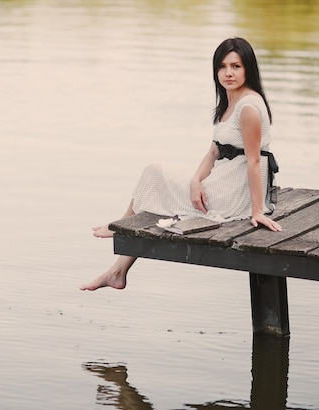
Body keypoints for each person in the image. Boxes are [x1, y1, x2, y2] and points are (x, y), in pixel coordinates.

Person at [80, 37, 282, 292]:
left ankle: (120, 230)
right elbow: (213, 151)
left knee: (154, 174)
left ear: (248, 68)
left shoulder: (248, 107)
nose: (228, 73)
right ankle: (118, 270)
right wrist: (196, 181)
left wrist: (257, 211)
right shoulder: (230, 102)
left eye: (235, 66)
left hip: (233, 194)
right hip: (221, 181)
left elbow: (254, 162)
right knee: (160, 187)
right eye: (222, 67)